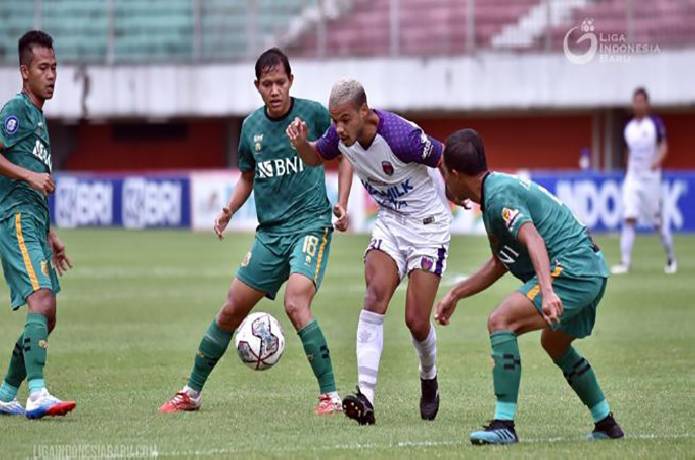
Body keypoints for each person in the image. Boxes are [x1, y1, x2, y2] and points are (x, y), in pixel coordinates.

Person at [160, 48, 352, 415]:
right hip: (271, 234)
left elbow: (344, 156)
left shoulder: (312, 113)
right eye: (268, 84)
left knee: (295, 302)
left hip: (311, 225)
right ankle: (191, 393)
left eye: (281, 82)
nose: (275, 90)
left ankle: (330, 396)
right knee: (230, 310)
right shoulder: (251, 128)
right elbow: (248, 177)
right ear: (257, 86)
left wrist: (341, 203)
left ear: (291, 81)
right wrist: (228, 210)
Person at [435, 128, 623, 444]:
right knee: (555, 344)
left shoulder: (498, 198)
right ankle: (606, 422)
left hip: (573, 269)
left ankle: (504, 424)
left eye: (443, 174)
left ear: (454, 173)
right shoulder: (493, 191)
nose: (444, 182)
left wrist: (548, 292)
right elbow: (501, 261)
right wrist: (457, 293)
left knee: (500, 321)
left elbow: (532, 237)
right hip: (590, 268)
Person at [287, 78, 451, 425]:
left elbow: (443, 157)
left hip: (427, 225)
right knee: (375, 294)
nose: (338, 128)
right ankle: (366, 397)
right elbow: (317, 156)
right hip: (390, 222)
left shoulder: (400, 137)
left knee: (416, 321)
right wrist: (302, 144)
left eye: (345, 119)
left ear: (364, 110)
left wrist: (461, 192)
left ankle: (429, 377)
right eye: (334, 120)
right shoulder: (340, 136)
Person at [0, 30, 75, 419]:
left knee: (48, 316)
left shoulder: (39, 119)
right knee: (41, 302)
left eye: (55, 67)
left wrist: (51, 234)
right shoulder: (15, 110)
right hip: (14, 220)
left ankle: (6, 392)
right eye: (43, 68)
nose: (52, 75)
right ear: (24, 72)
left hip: (34, 223)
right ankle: (37, 394)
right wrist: (29, 177)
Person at [612, 87, 677, 274]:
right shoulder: (629, 128)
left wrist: (658, 161)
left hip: (651, 178)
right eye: (635, 101)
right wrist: (627, 169)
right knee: (629, 217)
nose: (638, 104)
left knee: (657, 221)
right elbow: (627, 152)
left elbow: (663, 146)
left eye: (641, 101)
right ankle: (625, 262)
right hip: (633, 177)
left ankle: (671, 257)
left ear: (647, 104)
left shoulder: (655, 124)